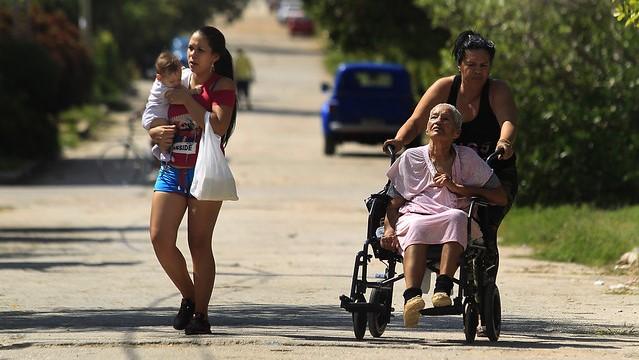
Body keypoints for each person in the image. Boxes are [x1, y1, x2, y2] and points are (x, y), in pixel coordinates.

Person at [383, 30, 518, 280]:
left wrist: (504, 142)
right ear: (459, 65)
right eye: (471, 64)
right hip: (443, 164)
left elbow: (508, 120)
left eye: (483, 65)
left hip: (489, 170)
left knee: (484, 229)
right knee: (419, 206)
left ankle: (480, 288)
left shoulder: (497, 90)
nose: (477, 71)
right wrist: (399, 141)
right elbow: (416, 120)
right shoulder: (445, 87)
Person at [141, 26, 237, 335]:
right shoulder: (174, 79)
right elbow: (153, 115)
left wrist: (186, 98)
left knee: (198, 243)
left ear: (215, 57)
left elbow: (219, 126)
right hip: (172, 168)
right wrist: (155, 132)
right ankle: (189, 295)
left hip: (205, 172)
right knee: (159, 237)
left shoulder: (222, 85)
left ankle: (202, 315)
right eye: (191, 48)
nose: (192, 55)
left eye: (200, 50)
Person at [380, 103, 507, 328]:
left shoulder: (467, 158)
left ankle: (443, 287)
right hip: (416, 213)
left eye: (445, 119)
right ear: (427, 128)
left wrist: (460, 188)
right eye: (434, 118)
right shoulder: (411, 157)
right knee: (417, 225)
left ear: (457, 133)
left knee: (457, 218)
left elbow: (500, 197)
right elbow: (393, 203)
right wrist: (389, 228)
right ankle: (412, 297)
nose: (438, 121)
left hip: (454, 214)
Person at [148, 51, 202, 162]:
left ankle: (161, 150)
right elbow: (175, 98)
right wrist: (193, 91)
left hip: (158, 113)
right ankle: (161, 151)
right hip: (154, 116)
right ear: (159, 78)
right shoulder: (163, 88)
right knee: (167, 132)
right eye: (172, 81)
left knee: (169, 131)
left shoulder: (167, 80)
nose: (177, 83)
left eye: (179, 79)